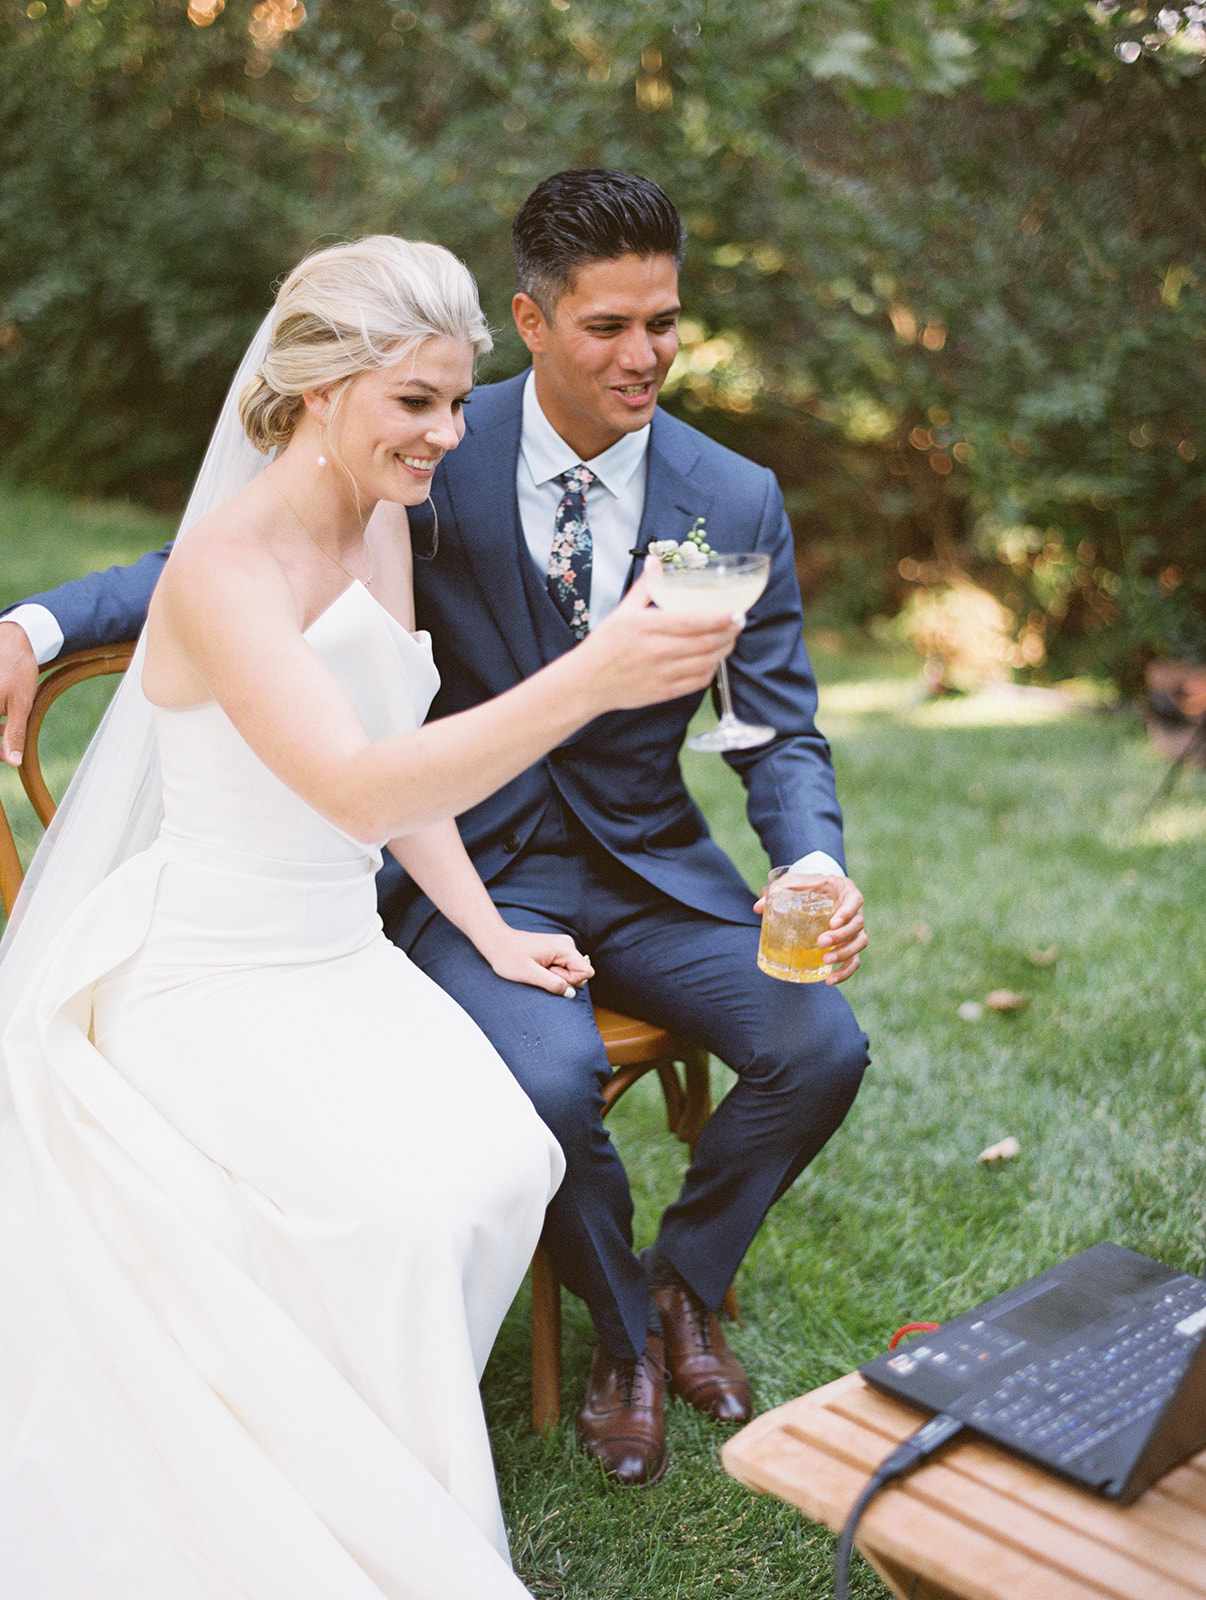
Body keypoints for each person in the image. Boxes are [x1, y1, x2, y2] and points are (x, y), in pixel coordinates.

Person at [0, 170, 871, 1489]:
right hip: (475, 867)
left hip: (646, 871)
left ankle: (678, 1282)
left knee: (819, 1043)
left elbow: (777, 722)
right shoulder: (423, 442)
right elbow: (207, 567)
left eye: (664, 323)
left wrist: (808, 855)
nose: (643, 356)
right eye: (607, 327)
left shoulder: (728, 496)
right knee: (539, 1083)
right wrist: (39, 623)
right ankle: (624, 1345)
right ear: (531, 318)